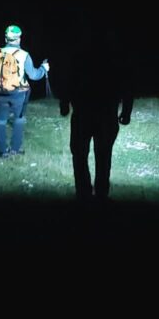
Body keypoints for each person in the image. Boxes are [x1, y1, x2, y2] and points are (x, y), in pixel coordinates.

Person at [58, 27, 134, 202]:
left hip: (84, 113)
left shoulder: (80, 55)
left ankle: (84, 192)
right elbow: (127, 84)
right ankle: (100, 192)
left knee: (80, 153)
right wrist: (126, 110)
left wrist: (64, 103)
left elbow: (68, 80)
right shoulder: (114, 57)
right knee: (103, 154)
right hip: (105, 113)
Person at [0, 24, 50, 158]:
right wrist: (44, 68)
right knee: (19, 119)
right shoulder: (23, 55)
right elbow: (34, 75)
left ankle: (3, 151)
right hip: (18, 93)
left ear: (6, 38)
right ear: (18, 39)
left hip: (0, 92)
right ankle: (15, 149)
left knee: (0, 121)